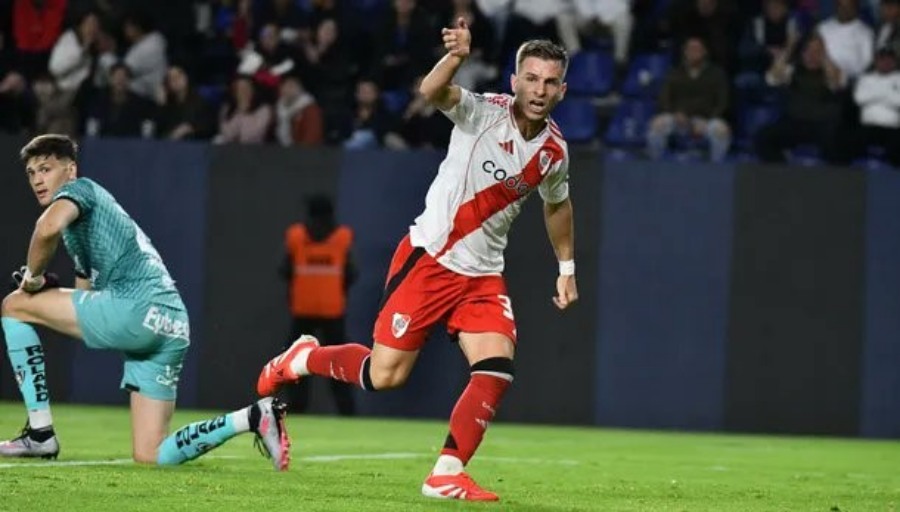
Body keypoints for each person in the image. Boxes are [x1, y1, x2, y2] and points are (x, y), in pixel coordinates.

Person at [257, 19, 577, 501]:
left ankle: (446, 472)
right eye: (531, 78)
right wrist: (455, 58)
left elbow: (557, 205)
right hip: (431, 260)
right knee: (384, 376)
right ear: (514, 82)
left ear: (562, 90)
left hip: (483, 275)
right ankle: (302, 357)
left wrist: (566, 267)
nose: (539, 89)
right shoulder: (483, 112)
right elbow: (432, 91)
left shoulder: (554, 151)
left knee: (496, 366)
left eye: (550, 82)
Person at [0, 135, 290, 470]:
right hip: (172, 324)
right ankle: (253, 416)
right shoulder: (84, 227)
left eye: (46, 168)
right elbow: (86, 295)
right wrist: (50, 291)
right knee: (152, 454)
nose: (37, 178)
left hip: (136, 309)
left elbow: (46, 228)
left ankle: (40, 434)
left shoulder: (80, 190)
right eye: (31, 172)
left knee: (13, 305)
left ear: (71, 169)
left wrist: (33, 280)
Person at [279, 195, 357, 415]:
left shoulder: (296, 236)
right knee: (340, 363)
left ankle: (297, 409)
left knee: (297, 361)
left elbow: (285, 270)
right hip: (333, 310)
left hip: (303, 310)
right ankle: (347, 411)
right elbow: (351, 273)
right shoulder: (342, 237)